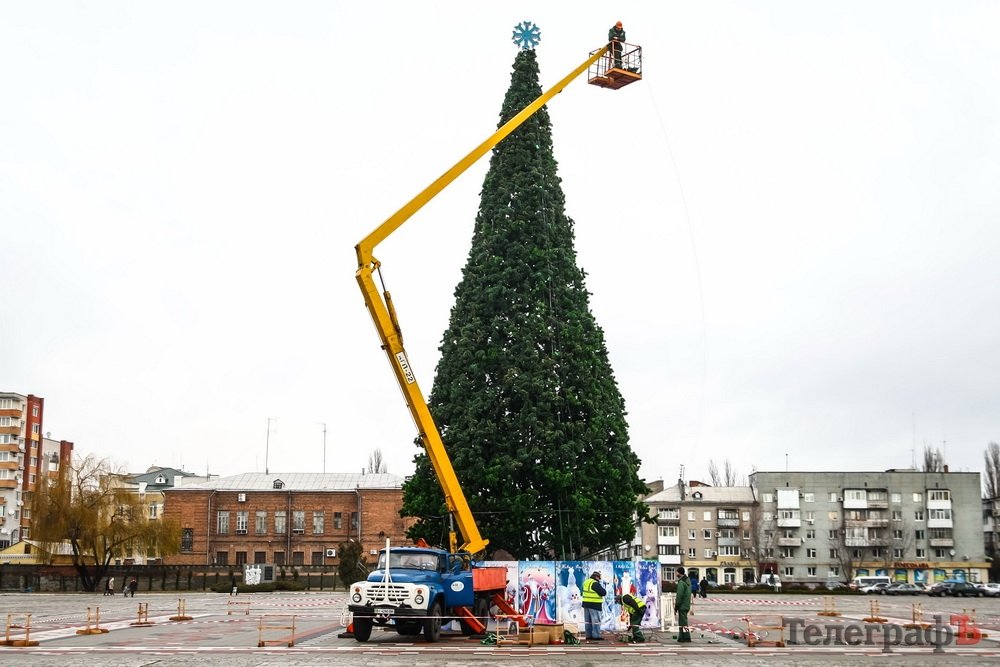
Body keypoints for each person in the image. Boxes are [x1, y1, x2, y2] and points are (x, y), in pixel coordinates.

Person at [582, 570, 607, 641]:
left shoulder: (586, 582)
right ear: (596, 577)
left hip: (586, 603)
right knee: (596, 620)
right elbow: (603, 592)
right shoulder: (595, 583)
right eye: (599, 578)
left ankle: (588, 635)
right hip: (594, 604)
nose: (599, 580)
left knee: (588, 621)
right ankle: (596, 636)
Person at [674, 567, 692, 643]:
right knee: (683, 621)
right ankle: (683, 636)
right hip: (686, 603)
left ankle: (685, 637)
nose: (676, 574)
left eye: (676, 572)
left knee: (682, 622)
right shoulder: (687, 580)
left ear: (679, 573)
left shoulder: (681, 582)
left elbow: (679, 595)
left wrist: (676, 606)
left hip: (682, 605)